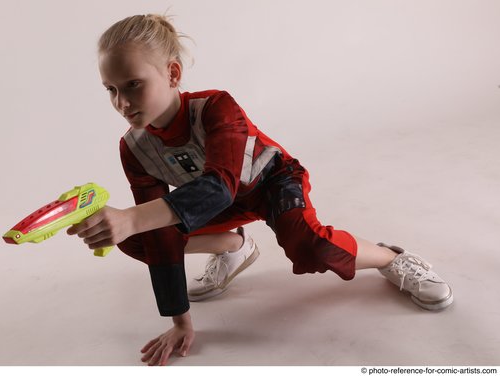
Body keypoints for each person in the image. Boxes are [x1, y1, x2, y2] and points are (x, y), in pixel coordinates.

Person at [66, 14, 453, 366]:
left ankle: (391, 257)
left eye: (133, 85)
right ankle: (236, 247)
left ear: (171, 73)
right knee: (140, 240)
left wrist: (130, 218)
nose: (122, 102)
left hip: (271, 182)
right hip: (220, 205)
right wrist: (181, 323)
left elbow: (219, 186)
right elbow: (161, 238)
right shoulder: (133, 147)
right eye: (111, 90)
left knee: (308, 247)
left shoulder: (216, 106)